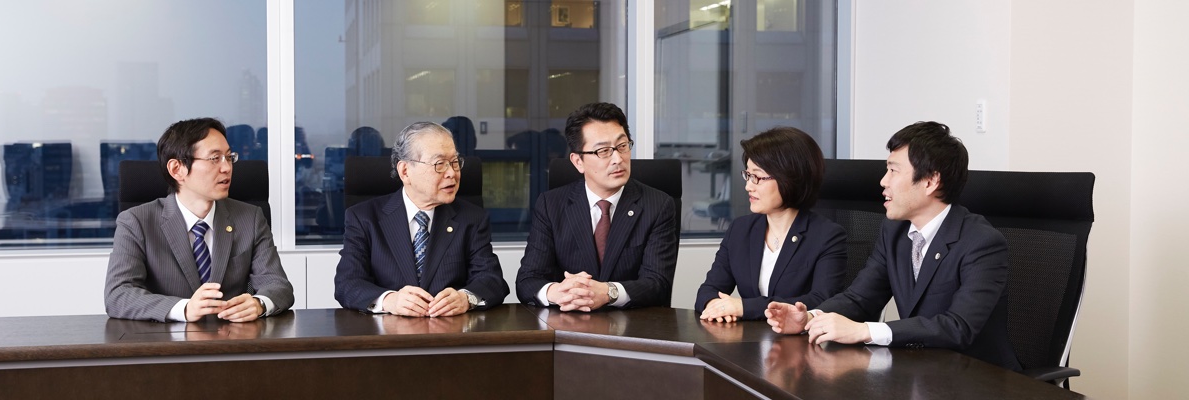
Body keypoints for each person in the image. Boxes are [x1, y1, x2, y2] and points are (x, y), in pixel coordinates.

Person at [765, 121, 1021, 371]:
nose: (883, 182)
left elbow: (958, 327)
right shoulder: (895, 230)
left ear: (930, 181)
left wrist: (864, 330)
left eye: (893, 171)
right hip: (921, 371)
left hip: (979, 379)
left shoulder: (982, 243)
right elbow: (861, 298)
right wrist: (810, 318)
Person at [104, 118, 293, 322]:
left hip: (234, 341)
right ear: (177, 169)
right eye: (215, 158)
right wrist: (184, 309)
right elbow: (118, 295)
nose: (227, 168)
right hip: (166, 344)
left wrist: (259, 304)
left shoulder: (250, 218)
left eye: (229, 157)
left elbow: (279, 286)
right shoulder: (137, 222)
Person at [334, 121, 509, 316]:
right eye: (440, 164)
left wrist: (466, 298)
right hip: (387, 336)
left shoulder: (472, 219)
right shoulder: (364, 218)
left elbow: (492, 281)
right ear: (405, 171)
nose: (452, 173)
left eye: (455, 162)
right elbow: (346, 284)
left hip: (452, 333)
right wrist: (390, 300)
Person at [515, 102, 678, 311]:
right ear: (578, 162)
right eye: (603, 151)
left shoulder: (657, 205)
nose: (618, 159)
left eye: (622, 146)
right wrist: (556, 292)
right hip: (569, 325)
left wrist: (609, 292)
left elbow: (658, 284)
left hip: (633, 329)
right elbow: (527, 280)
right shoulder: (551, 205)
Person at [696, 127, 847, 322]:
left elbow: (821, 300)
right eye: (748, 175)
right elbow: (708, 290)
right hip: (747, 343)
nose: (748, 186)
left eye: (757, 177)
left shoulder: (827, 236)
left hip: (801, 344)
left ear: (790, 178)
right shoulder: (740, 230)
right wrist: (714, 307)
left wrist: (744, 307)